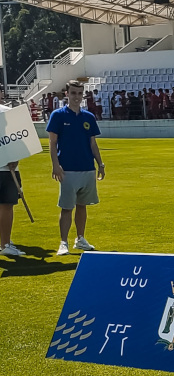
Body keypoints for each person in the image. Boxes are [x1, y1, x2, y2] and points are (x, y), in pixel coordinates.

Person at [47, 80, 106, 255]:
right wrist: (55, 165)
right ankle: (63, 242)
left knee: (82, 205)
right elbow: (52, 142)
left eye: (79, 93)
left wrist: (100, 164)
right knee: (66, 207)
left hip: (87, 167)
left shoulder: (88, 117)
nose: (76, 97)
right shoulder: (58, 115)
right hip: (67, 169)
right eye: (73, 93)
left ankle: (80, 239)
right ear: (67, 94)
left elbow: (93, 143)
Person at [0, 96, 25, 257]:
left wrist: (15, 158)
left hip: (7, 169)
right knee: (6, 206)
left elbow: (19, 140)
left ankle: (5, 242)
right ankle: (5, 243)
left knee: (7, 206)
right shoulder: (10, 112)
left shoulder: (10, 112)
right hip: (7, 169)